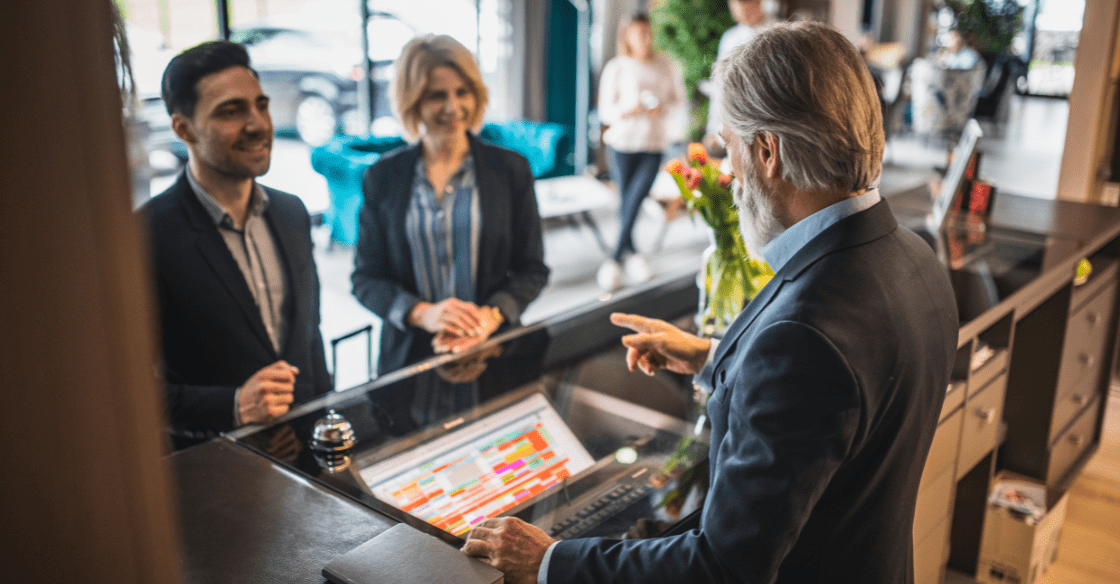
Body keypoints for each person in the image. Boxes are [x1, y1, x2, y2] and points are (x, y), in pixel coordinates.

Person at [463, 21, 959, 584]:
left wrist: (549, 560)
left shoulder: (801, 341)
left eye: (730, 146)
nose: (727, 172)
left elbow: (722, 565)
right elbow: (843, 388)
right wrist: (711, 355)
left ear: (768, 151)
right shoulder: (914, 257)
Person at [142, 41, 332, 451]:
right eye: (231, 112)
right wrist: (231, 404)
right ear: (183, 129)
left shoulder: (291, 212)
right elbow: (128, 392)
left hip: (304, 458)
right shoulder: (146, 234)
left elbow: (309, 340)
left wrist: (329, 434)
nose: (258, 124)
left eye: (260, 105)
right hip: (214, 468)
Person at [351, 35, 549, 376]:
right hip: (409, 358)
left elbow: (533, 269)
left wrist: (490, 316)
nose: (453, 107)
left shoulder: (510, 170)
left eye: (463, 92)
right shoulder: (382, 177)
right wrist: (422, 313)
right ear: (411, 101)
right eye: (437, 96)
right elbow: (366, 278)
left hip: (493, 351)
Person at [595, 12, 686, 290]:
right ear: (627, 36)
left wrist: (662, 109)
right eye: (638, 33)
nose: (644, 38)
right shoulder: (617, 67)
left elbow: (678, 101)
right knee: (627, 203)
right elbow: (605, 112)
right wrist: (628, 109)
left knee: (633, 199)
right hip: (622, 144)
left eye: (647, 32)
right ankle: (632, 255)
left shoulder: (665, 65)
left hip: (653, 144)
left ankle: (613, 259)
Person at [702, 0, 769, 154]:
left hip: (766, 124)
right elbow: (720, 87)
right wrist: (713, 129)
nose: (735, 8)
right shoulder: (730, 38)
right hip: (735, 127)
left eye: (739, 3)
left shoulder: (778, 32)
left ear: (756, 3)